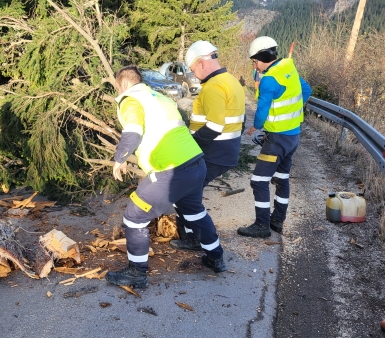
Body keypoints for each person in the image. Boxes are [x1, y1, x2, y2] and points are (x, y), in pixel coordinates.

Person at [105, 66, 226, 289]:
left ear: (121, 85)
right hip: (195, 163)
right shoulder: (158, 97)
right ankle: (216, 257)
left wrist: (120, 158)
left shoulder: (130, 99)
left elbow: (133, 130)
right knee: (195, 212)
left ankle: (137, 273)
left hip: (171, 171)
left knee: (134, 216)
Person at [169, 40, 245, 252]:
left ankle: (198, 239)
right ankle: (194, 236)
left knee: (185, 194)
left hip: (213, 151)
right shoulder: (230, 81)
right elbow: (241, 120)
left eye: (193, 69)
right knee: (190, 193)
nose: (194, 74)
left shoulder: (214, 86)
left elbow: (213, 127)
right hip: (226, 150)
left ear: (202, 63)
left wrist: (189, 148)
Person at [237, 36, 312, 238]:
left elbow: (261, 111)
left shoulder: (269, 79)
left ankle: (262, 226)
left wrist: (256, 126)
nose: (255, 65)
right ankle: (277, 221)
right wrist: (292, 108)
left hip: (276, 140)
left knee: (259, 181)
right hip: (293, 137)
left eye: (255, 61)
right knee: (281, 178)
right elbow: (306, 90)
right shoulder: (288, 68)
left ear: (262, 57)